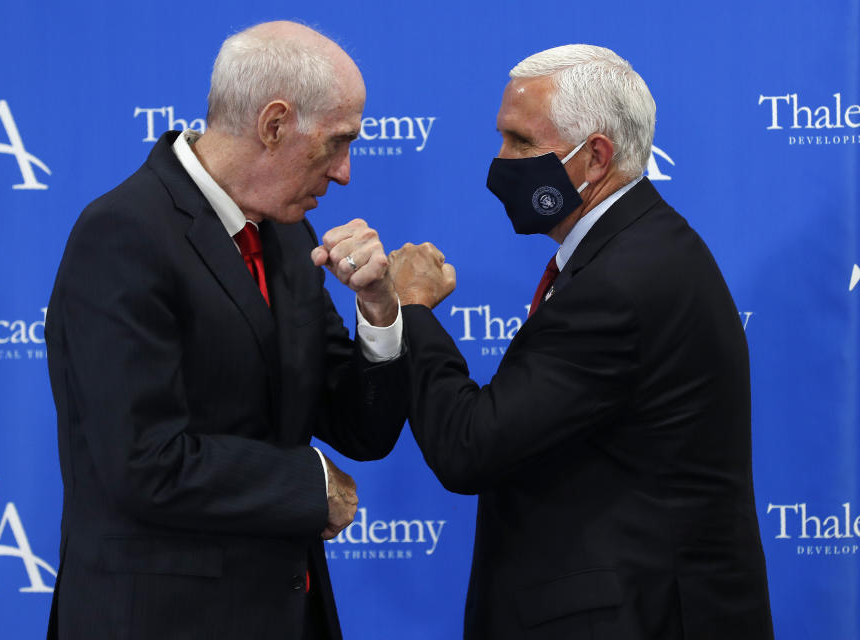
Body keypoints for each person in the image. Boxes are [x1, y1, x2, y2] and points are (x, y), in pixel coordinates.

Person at [389, 44, 774, 639]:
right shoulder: (642, 248)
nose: (501, 161)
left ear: (595, 157)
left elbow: (470, 445)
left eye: (520, 142)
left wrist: (411, 308)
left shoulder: (621, 283)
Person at [44, 21, 407, 640]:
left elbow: (361, 428)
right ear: (273, 124)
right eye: (337, 142)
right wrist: (310, 484)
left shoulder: (290, 236)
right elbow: (144, 462)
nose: (344, 172)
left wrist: (378, 310)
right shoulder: (123, 234)